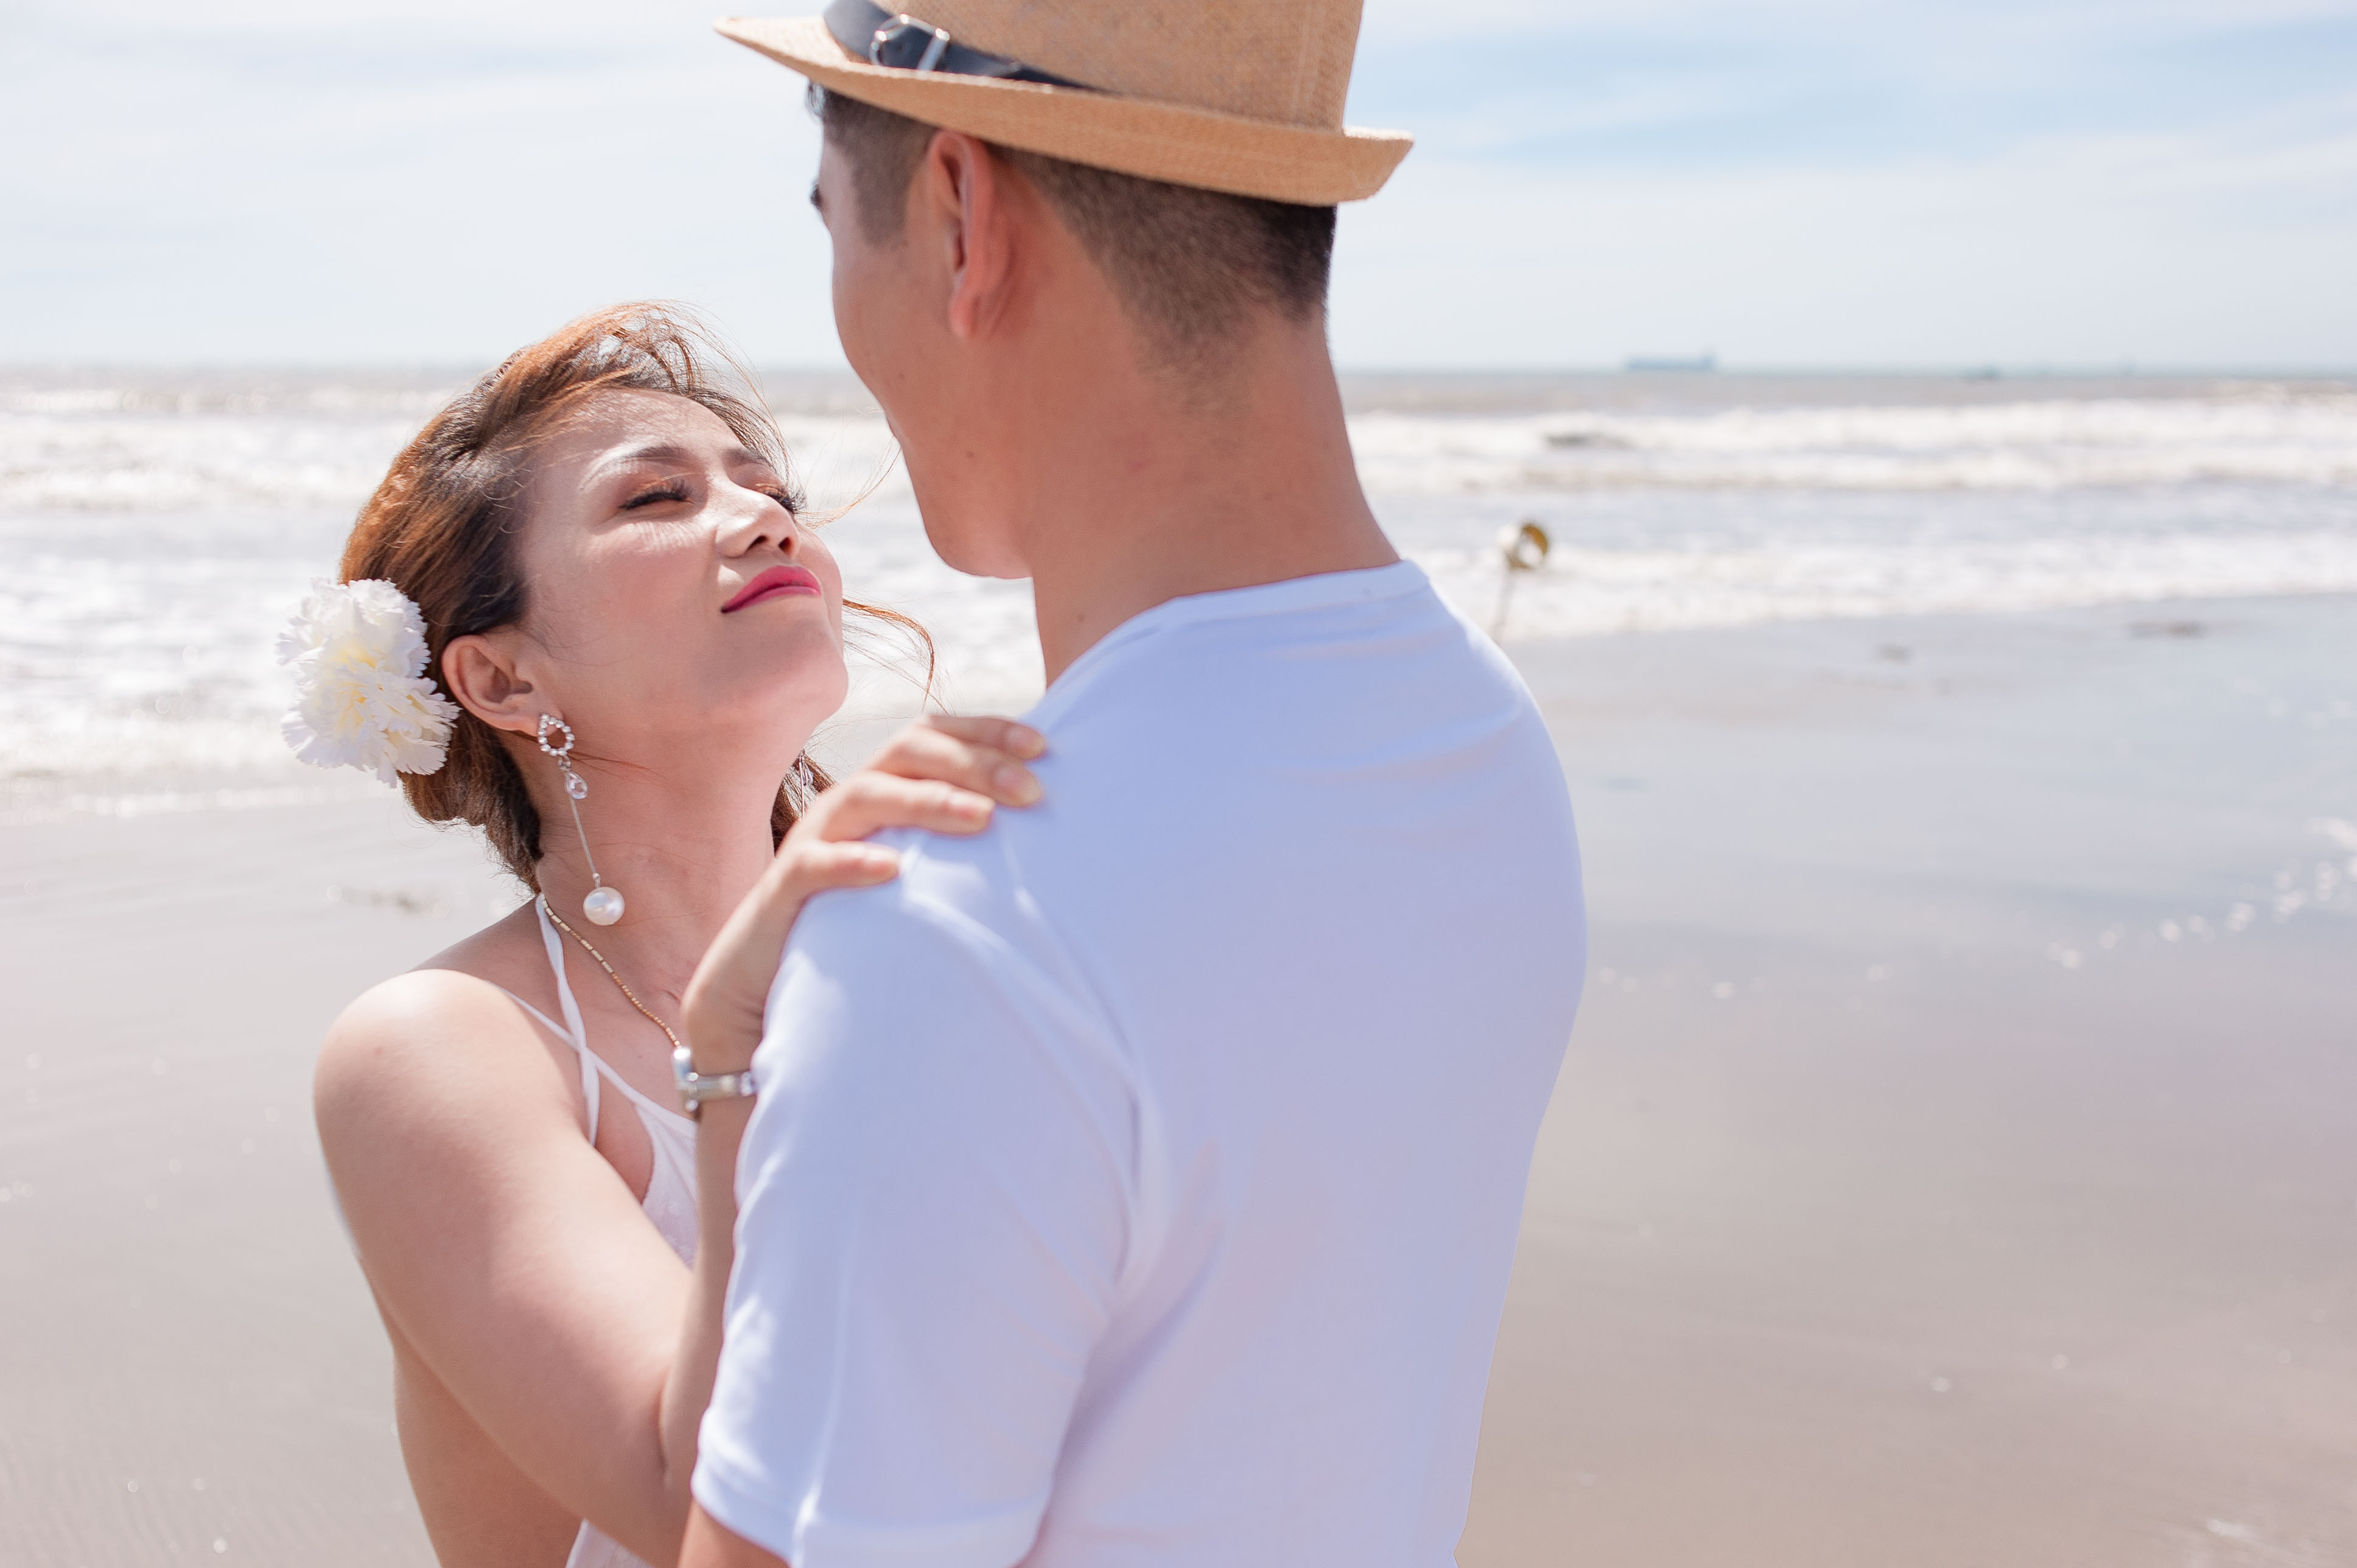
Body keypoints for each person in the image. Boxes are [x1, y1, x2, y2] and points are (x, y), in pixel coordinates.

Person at [681, 4, 1588, 1564]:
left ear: (962, 216)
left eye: (831, 222)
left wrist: (736, 1062)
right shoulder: (1480, 737)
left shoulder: (964, 925)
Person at [303, 304, 1048, 1568]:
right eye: (657, 498)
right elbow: (701, 1501)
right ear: (503, 680)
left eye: (772, 490)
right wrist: (731, 1056)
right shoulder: (438, 1050)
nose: (764, 519)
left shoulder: (935, 961)